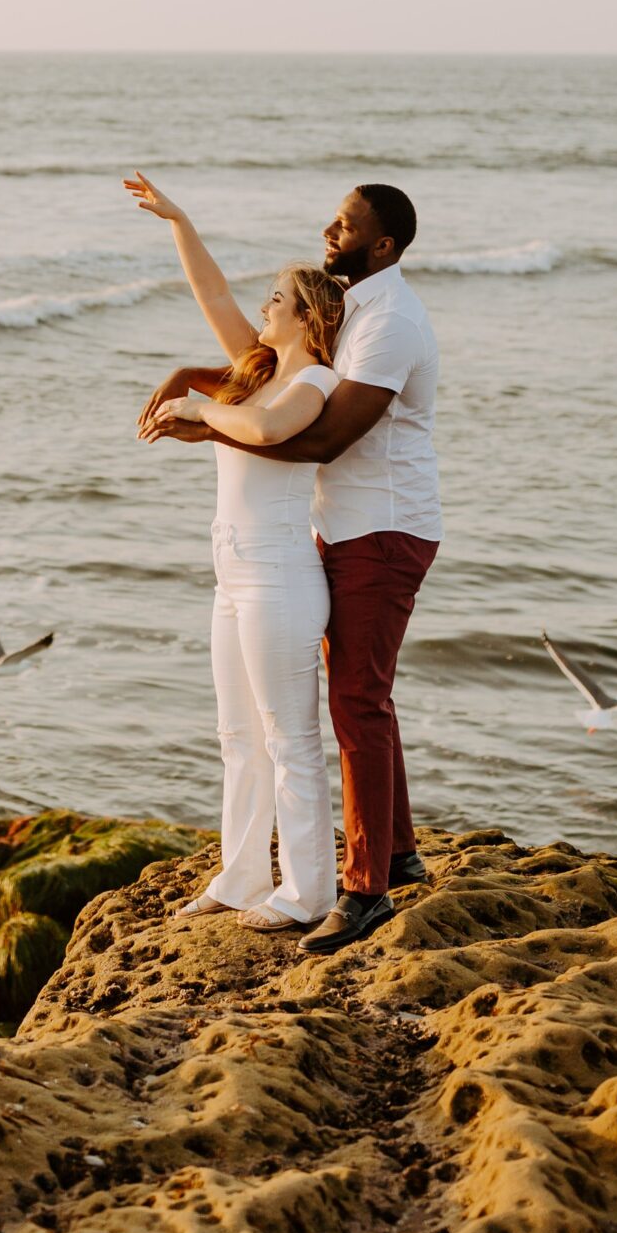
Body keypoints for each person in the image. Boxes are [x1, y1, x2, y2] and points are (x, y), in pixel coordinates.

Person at [132, 175, 440, 955]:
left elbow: (303, 439)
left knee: (345, 711)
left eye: (343, 226)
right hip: (308, 543)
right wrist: (180, 222)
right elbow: (215, 307)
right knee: (257, 727)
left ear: (382, 245)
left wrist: (205, 411)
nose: (326, 233)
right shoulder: (280, 358)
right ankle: (280, 869)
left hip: (377, 530)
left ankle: (349, 888)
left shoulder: (361, 342)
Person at [123, 188, 346, 930]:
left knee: (289, 742)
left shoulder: (311, 385)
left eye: (276, 299)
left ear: (308, 319)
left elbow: (265, 428)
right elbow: (211, 291)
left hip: (280, 579)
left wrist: (197, 403)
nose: (262, 306)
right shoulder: (254, 367)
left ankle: (309, 893)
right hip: (233, 575)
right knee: (237, 739)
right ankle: (242, 875)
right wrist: (180, 222)